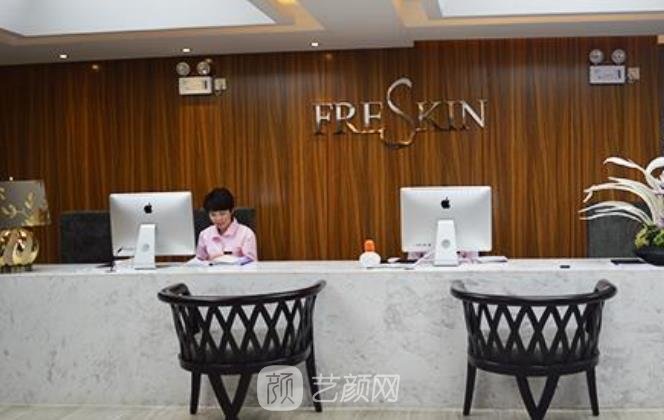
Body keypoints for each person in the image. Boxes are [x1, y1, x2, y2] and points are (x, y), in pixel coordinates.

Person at [195, 187, 257, 261]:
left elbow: (252, 263)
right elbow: (199, 262)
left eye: (222, 214)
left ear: (232, 211)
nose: (218, 219)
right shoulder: (204, 235)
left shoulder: (246, 234)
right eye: (213, 215)